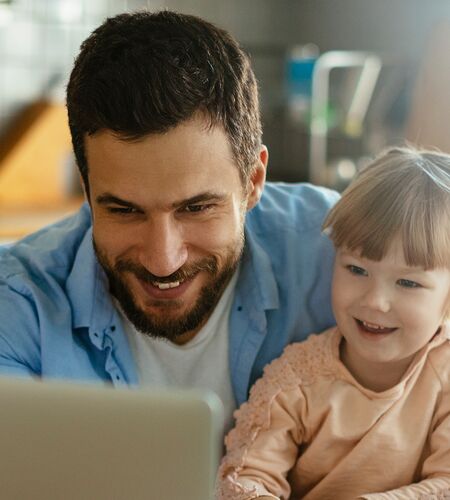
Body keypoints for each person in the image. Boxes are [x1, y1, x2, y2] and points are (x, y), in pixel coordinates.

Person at [0, 10, 338, 433]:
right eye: (124, 210)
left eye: (196, 208)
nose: (163, 261)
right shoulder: (17, 303)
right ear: (86, 192)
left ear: (253, 181)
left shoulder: (341, 253)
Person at [216, 146, 450, 499]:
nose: (374, 301)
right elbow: (244, 478)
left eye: (408, 282)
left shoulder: (444, 376)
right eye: (356, 269)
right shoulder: (293, 381)